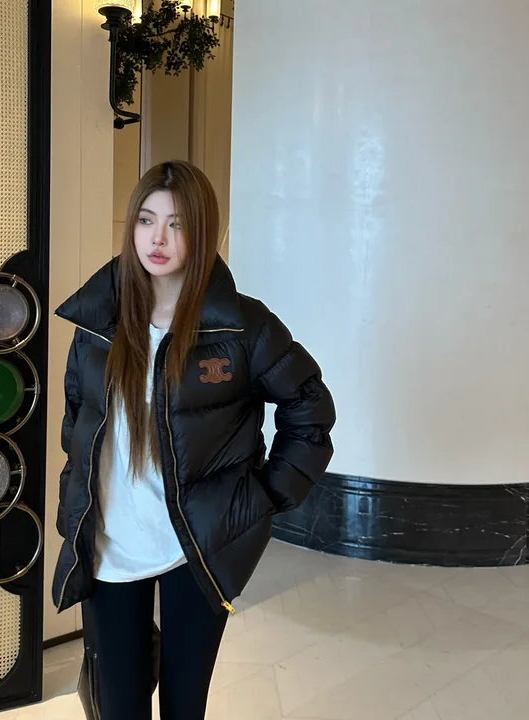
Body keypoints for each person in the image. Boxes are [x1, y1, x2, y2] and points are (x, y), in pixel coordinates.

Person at [52, 161, 335, 720]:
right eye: (146, 220)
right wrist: (72, 509)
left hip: (198, 547)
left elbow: (310, 410)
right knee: (118, 706)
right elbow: (78, 424)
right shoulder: (99, 321)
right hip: (110, 542)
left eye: (176, 224)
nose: (157, 238)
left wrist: (261, 500)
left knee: (185, 707)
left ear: (203, 231)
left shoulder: (242, 326)